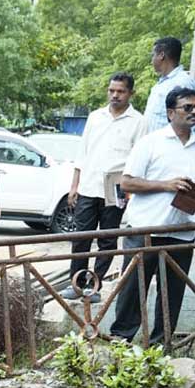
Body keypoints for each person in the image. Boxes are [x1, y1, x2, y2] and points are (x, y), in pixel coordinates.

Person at [110, 87, 195, 345]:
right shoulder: (150, 143)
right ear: (170, 113)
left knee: (171, 296)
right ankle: (120, 343)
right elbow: (127, 183)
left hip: (182, 232)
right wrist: (167, 185)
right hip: (146, 230)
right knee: (133, 291)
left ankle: (160, 348)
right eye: (187, 107)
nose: (193, 112)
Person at [63, 72, 143, 300]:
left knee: (107, 239)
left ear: (130, 93)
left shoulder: (138, 121)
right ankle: (77, 283)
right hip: (89, 183)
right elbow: (83, 152)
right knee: (81, 237)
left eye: (121, 91)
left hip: (116, 186)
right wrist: (74, 185)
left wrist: (130, 190)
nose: (115, 95)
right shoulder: (96, 117)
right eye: (112, 91)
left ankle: (93, 286)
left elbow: (138, 159)